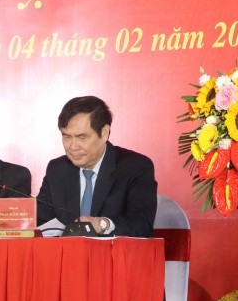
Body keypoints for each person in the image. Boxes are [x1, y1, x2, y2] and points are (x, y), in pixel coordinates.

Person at [36, 96, 157, 237]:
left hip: (114, 256)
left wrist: (102, 224)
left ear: (104, 133)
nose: (73, 146)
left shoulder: (135, 167)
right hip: (68, 256)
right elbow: (40, 219)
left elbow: (142, 225)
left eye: (82, 137)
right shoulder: (57, 169)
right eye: (67, 137)